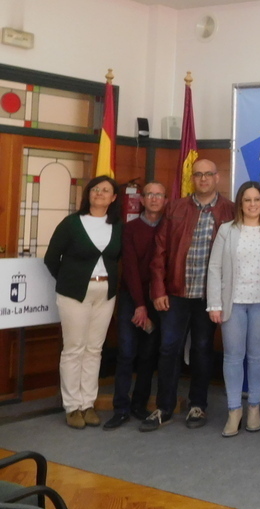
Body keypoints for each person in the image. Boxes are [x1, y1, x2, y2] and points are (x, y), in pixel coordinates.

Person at [144, 158, 235, 432]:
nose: (203, 179)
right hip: (176, 293)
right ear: (192, 179)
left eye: (208, 174)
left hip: (211, 296)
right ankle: (164, 407)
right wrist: (158, 289)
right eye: (198, 175)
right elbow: (159, 252)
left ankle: (198, 405)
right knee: (168, 348)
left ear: (217, 178)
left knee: (202, 350)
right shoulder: (176, 207)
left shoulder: (229, 210)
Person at [44, 175, 123, 429]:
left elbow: (119, 257)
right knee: (74, 348)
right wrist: (70, 280)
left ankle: (88, 403)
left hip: (105, 293)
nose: (99, 193)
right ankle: (72, 406)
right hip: (74, 293)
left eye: (105, 190)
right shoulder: (71, 223)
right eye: (95, 189)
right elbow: (51, 258)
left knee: (94, 349)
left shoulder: (118, 226)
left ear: (114, 198)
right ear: (88, 195)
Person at [207, 181, 260, 437]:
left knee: (257, 356)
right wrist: (214, 304)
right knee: (233, 357)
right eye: (247, 200)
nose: (252, 204)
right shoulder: (227, 230)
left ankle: (254, 408)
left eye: (256, 199)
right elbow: (215, 268)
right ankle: (234, 409)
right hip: (232, 303)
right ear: (240, 203)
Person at [103, 181, 167, 430]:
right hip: (132, 298)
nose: (153, 198)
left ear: (165, 200)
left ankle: (139, 404)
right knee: (126, 353)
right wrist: (140, 305)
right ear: (141, 199)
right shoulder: (129, 228)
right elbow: (128, 268)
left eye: (158, 195)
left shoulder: (168, 228)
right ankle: (120, 408)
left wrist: (150, 303)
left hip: (158, 299)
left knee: (148, 355)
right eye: (149, 194)